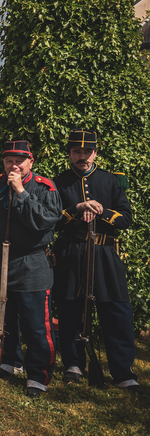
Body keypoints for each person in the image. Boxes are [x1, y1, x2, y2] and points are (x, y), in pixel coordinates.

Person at [52, 129, 140, 392]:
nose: (82, 157)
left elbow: (126, 218)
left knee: (116, 311)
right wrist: (75, 210)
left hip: (104, 254)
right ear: (69, 153)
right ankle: (73, 363)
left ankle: (123, 371)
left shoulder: (112, 181)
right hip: (71, 252)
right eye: (77, 152)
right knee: (70, 310)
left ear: (96, 151)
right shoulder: (59, 182)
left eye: (87, 152)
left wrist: (103, 211)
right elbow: (54, 221)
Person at [0, 140, 61, 398]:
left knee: (36, 324)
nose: (14, 166)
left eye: (19, 161)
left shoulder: (45, 187)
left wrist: (21, 191)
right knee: (2, 317)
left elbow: (44, 221)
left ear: (30, 162)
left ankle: (38, 374)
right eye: (9, 161)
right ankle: (10, 359)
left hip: (30, 264)